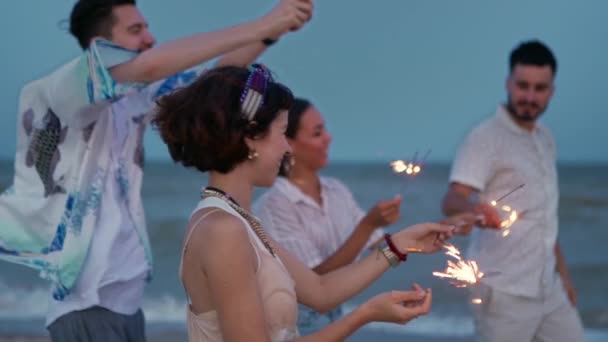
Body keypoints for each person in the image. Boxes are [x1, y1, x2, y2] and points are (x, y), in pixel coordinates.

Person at [0, 0, 313, 340]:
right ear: (97, 47)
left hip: (127, 305)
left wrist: (273, 33)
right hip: (85, 305)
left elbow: (210, 87)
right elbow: (150, 67)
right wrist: (261, 25)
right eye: (136, 30)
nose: (150, 38)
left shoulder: (131, 98)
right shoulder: (68, 90)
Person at [153, 64, 456, 341]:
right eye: (282, 134)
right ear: (250, 139)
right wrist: (365, 315)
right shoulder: (223, 229)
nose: (287, 149)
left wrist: (401, 244)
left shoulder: (238, 219)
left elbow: (320, 291)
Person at [441, 40, 585, 342]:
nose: (530, 97)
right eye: (523, 86)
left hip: (549, 289)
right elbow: (452, 198)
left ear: (551, 91)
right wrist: (473, 209)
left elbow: (545, 218)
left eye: (540, 88)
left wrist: (565, 277)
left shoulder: (546, 139)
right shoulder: (485, 138)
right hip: (503, 294)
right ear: (508, 83)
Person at [254, 98, 402, 334]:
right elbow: (314, 283)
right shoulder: (276, 205)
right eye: (317, 133)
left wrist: (419, 241)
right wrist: (368, 225)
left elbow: (380, 248)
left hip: (335, 317)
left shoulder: (336, 191)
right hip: (294, 325)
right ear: (288, 143)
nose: (328, 138)